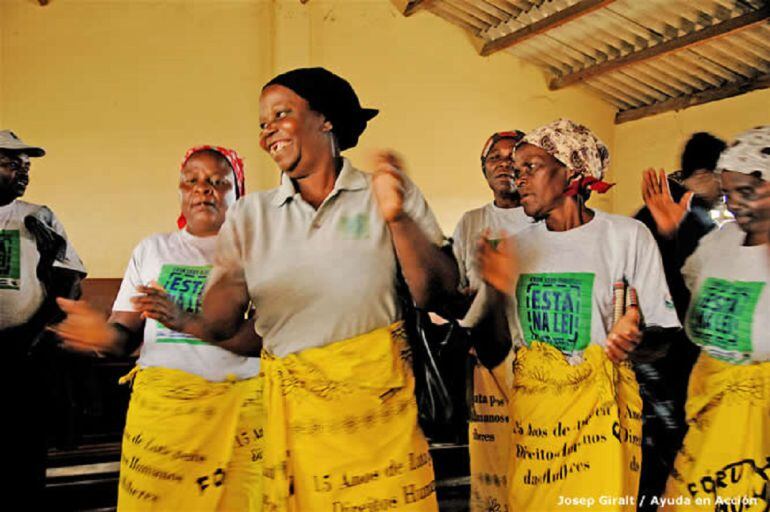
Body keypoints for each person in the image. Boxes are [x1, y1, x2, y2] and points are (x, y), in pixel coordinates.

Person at [187, 67, 457, 511]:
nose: (268, 130)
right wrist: (225, 276)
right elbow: (220, 324)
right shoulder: (251, 214)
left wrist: (397, 218)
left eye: (281, 114)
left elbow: (438, 294)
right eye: (262, 123)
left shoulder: (382, 192)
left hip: (378, 423)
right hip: (295, 426)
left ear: (325, 119)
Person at [476, 118, 681, 511]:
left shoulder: (625, 237)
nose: (519, 179)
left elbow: (664, 336)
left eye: (531, 168)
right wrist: (494, 288)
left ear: (572, 171)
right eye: (517, 171)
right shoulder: (515, 248)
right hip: (536, 430)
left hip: (602, 427)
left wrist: (634, 342)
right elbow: (491, 351)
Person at [52, 145, 263, 511]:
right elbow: (123, 336)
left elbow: (260, 339)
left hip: (237, 417)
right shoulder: (153, 249)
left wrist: (186, 321)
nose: (203, 189)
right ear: (180, 192)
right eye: (191, 181)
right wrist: (99, 336)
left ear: (238, 192)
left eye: (217, 181)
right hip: (163, 419)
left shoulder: (258, 251)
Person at [654, 126, 770, 511]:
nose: (735, 203)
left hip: (757, 429)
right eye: (730, 190)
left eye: (747, 191)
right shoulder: (720, 242)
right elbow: (687, 293)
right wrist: (672, 234)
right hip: (705, 409)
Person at [633, 133, 725, 510]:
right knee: (670, 456)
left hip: (645, 353)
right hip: (673, 357)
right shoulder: (694, 218)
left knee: (650, 453)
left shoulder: (647, 214)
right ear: (708, 172)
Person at [0, 130, 86, 507]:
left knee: (25, 452)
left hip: (24, 352)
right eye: (11, 164)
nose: (23, 172)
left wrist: (36, 333)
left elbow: (71, 284)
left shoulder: (39, 217)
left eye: (26, 166)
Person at [450, 130, 531, 511]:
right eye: (493, 158)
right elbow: (460, 289)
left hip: (537, 359)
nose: (503, 163)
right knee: (492, 464)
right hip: (486, 366)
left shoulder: (541, 219)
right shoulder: (471, 223)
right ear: (484, 170)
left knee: (536, 459)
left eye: (512, 156)